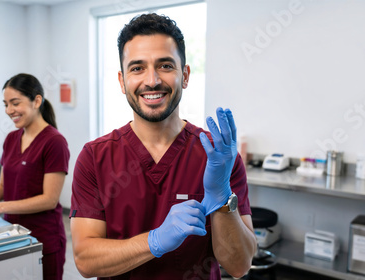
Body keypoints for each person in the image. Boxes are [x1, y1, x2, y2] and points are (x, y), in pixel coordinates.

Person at [70, 13, 257, 280]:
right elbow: (86, 261)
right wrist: (154, 241)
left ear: (185, 75)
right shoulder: (94, 158)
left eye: (165, 66)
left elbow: (239, 266)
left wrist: (223, 199)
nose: (152, 80)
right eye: (137, 68)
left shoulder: (217, 156)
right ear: (122, 82)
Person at [0, 73, 70, 280]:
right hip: (12, 234)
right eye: (6, 104)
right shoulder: (11, 139)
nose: (9, 111)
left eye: (15, 103)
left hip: (43, 239)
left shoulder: (54, 142)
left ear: (37, 101)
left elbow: (49, 200)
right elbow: (3, 186)